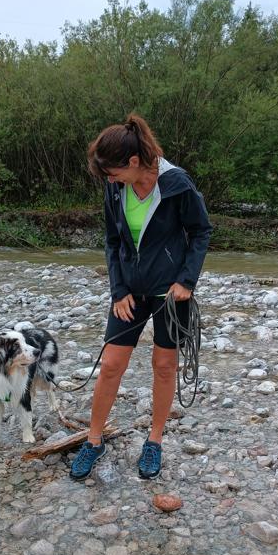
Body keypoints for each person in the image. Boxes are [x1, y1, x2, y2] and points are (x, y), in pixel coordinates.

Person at [70, 113, 213, 481]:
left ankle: (154, 440)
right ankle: (94, 439)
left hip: (171, 296)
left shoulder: (177, 183)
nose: (108, 179)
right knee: (111, 365)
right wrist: (118, 290)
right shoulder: (116, 187)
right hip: (129, 293)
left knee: (164, 367)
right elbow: (112, 240)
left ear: (133, 161)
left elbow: (201, 231)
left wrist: (187, 281)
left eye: (112, 172)